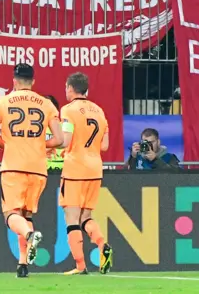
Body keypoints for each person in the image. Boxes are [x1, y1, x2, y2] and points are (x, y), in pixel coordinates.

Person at [0, 63, 63, 278]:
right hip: (38, 169)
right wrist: (39, 145)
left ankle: (30, 235)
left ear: (14, 80)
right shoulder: (47, 105)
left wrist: (7, 144)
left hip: (13, 166)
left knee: (11, 215)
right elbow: (59, 139)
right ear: (33, 81)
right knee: (26, 214)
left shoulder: (3, 102)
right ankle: (22, 263)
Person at [59, 72, 112, 275]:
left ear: (71, 88)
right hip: (95, 168)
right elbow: (104, 146)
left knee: (71, 217)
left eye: (66, 87)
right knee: (86, 216)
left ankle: (80, 265)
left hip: (75, 168)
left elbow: (65, 141)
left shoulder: (68, 110)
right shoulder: (99, 111)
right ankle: (102, 246)